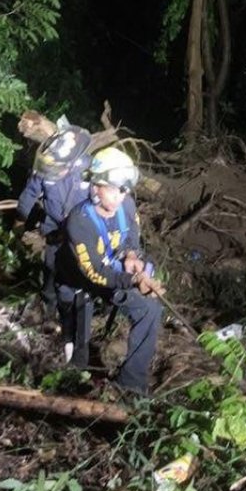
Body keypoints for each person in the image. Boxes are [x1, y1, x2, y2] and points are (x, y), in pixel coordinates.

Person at [55, 147, 165, 394]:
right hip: (82, 279)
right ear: (95, 188)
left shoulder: (126, 206)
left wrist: (131, 257)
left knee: (151, 310)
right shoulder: (79, 221)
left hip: (116, 273)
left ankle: (131, 383)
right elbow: (93, 273)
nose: (120, 196)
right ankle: (74, 380)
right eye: (113, 189)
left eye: (124, 189)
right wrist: (133, 280)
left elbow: (131, 239)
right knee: (79, 350)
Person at [16, 126, 93, 318]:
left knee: (80, 267)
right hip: (53, 225)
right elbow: (31, 193)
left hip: (80, 227)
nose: (47, 172)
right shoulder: (46, 167)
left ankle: (78, 308)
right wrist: (20, 220)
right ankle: (49, 304)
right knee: (51, 265)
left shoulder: (87, 170)